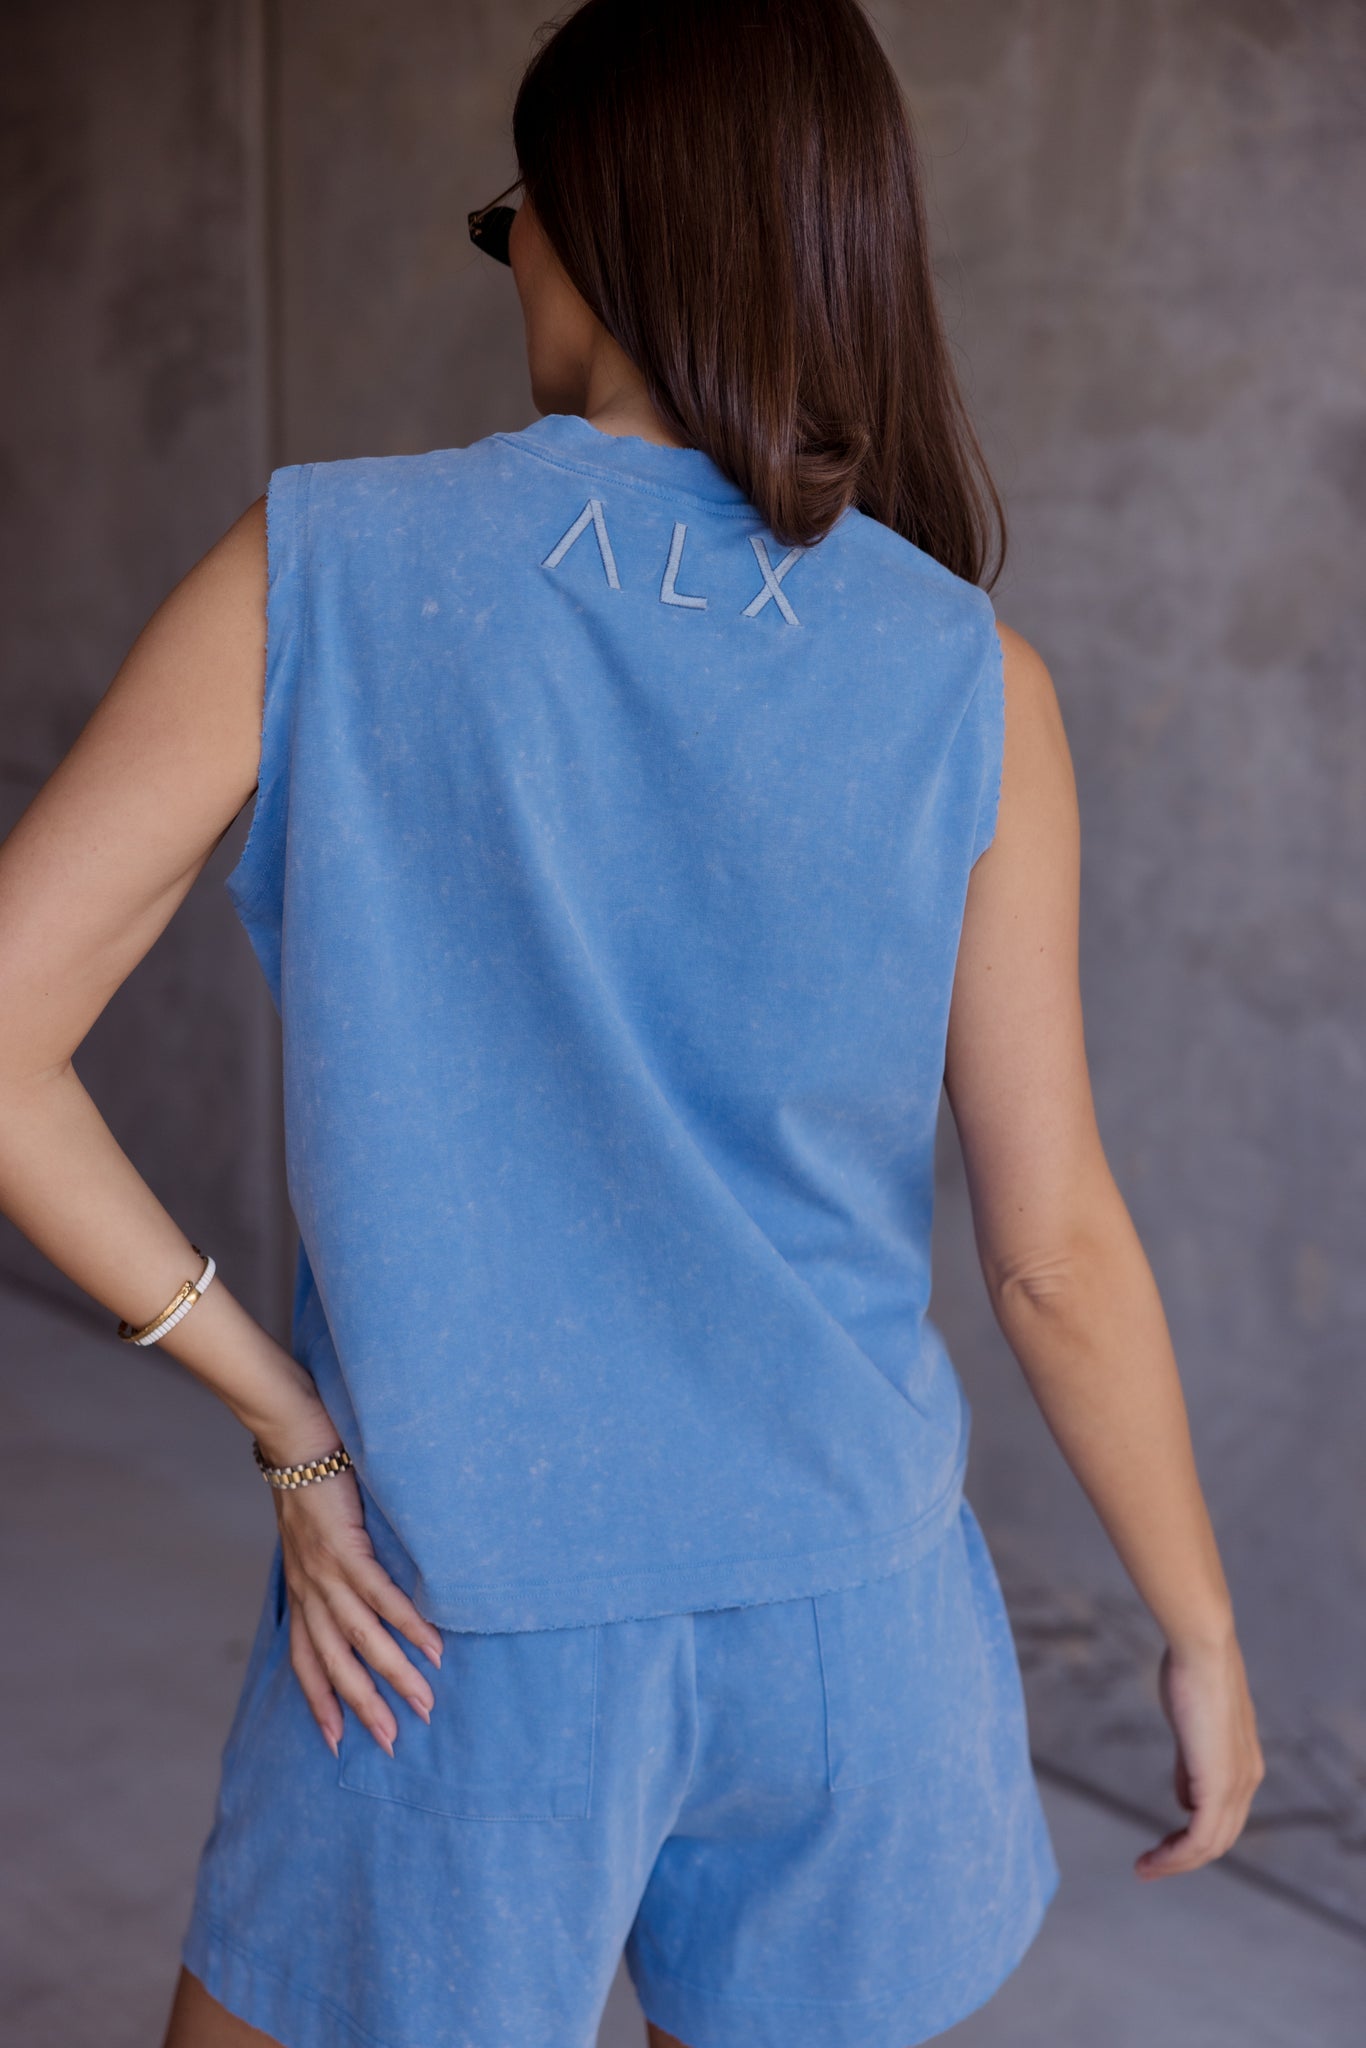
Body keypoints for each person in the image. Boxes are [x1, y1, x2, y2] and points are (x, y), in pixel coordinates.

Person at [0, 1, 1265, 2044]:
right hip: (860, 1624)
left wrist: (288, 1425)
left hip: (452, 1627)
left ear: (586, 220)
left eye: (509, 215)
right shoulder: (972, 675)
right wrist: (1195, 1630)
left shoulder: (325, 564)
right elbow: (1051, 1252)